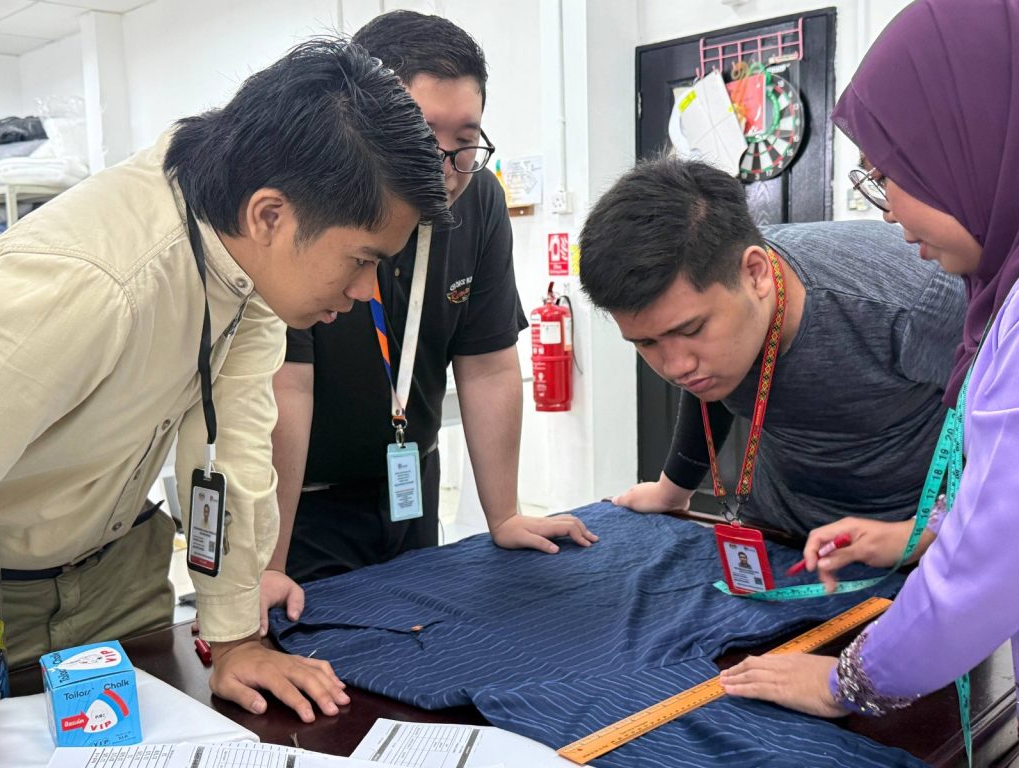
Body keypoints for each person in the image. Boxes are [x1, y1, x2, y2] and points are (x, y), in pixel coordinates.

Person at [0, 39, 450, 723]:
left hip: (118, 568)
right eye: (361, 259)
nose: (365, 291)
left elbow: (237, 452)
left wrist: (237, 640)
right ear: (270, 215)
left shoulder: (241, 258)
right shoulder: (94, 283)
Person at [719, 0, 1019, 720]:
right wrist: (919, 536)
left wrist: (848, 682)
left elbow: (1001, 550)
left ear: (971, 143)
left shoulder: (906, 304)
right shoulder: (1001, 292)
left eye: (890, 174)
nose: (887, 211)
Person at [263, 11, 596, 626]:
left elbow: (489, 363)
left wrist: (503, 515)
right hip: (301, 503)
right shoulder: (310, 201)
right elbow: (289, 386)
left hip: (407, 486)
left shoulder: (480, 197)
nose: (443, 165)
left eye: (464, 140)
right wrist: (271, 561)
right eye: (422, 135)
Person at [578, 157, 965, 539]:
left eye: (692, 329)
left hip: (908, 536)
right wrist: (672, 489)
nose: (677, 367)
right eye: (646, 342)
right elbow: (708, 389)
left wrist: (928, 533)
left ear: (755, 274)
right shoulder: (716, 307)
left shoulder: (918, 301)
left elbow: (995, 438)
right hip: (775, 526)